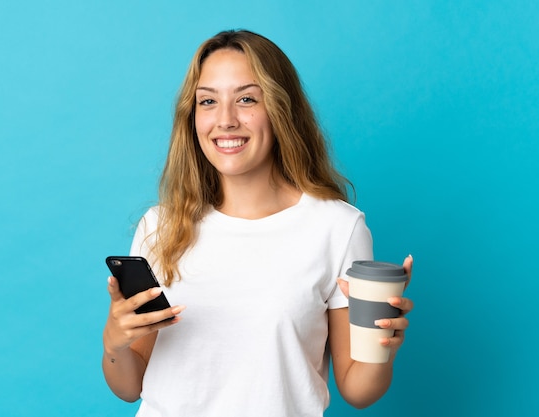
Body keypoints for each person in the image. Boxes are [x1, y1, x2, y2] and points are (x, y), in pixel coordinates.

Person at [102, 29, 414, 417]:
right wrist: (114, 344)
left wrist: (382, 344)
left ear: (281, 109)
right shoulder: (159, 226)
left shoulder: (337, 228)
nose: (225, 120)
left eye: (246, 99)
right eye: (208, 101)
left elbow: (358, 389)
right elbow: (129, 387)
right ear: (192, 115)